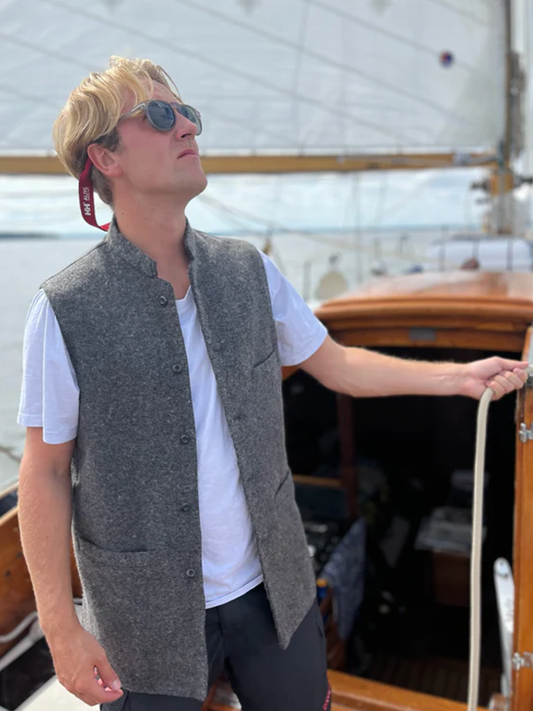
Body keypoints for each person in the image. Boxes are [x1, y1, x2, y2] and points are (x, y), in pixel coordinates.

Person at [16, 56, 528, 711]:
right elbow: (45, 471)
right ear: (105, 157)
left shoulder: (248, 272)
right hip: (141, 615)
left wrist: (458, 375)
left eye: (188, 113)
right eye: (161, 115)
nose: (188, 127)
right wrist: (61, 627)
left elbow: (337, 365)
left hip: (273, 593)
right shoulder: (66, 309)